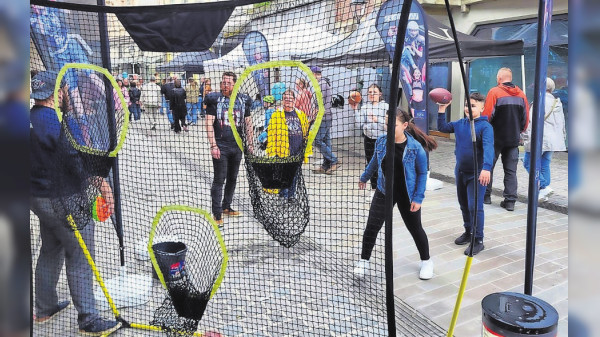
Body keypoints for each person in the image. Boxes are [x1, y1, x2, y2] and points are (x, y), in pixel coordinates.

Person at [30, 71, 121, 335]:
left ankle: (44, 308)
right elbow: (76, 162)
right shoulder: (56, 123)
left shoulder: (26, 119)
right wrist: (102, 185)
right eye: (65, 91)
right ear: (56, 93)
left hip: (38, 199)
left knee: (51, 248)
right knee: (80, 255)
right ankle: (89, 319)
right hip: (63, 198)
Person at [354, 107, 437, 279]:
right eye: (386, 124)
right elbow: (374, 163)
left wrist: (418, 198)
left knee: (415, 229)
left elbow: (422, 173)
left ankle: (427, 261)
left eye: (393, 125)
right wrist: (364, 178)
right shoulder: (382, 141)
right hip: (384, 192)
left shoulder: (415, 148)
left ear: (405, 125)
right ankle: (363, 261)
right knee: (372, 226)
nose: (388, 128)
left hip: (408, 194)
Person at [437, 93, 494, 255]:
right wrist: (441, 110)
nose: (469, 108)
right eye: (467, 104)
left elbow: (489, 148)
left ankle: (478, 239)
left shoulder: (485, 127)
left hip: (478, 174)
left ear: (482, 108)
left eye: (474, 105)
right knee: (463, 204)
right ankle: (468, 232)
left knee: (474, 206)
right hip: (460, 171)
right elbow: (442, 128)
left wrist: (487, 168)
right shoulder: (460, 123)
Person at [204, 71, 252, 226]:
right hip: (221, 146)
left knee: (232, 178)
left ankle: (226, 206)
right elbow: (209, 123)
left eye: (228, 83)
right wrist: (213, 145)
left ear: (235, 84)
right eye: (223, 82)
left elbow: (248, 123)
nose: (225, 85)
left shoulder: (243, 100)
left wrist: (249, 144)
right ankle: (216, 214)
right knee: (219, 179)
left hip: (236, 146)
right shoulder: (215, 100)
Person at [482, 67, 529, 211]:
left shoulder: (494, 92)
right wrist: (518, 131)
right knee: (511, 171)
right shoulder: (521, 94)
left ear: (499, 78)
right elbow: (526, 119)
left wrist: (483, 131)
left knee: (488, 166)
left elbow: (487, 115)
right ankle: (510, 202)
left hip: (495, 138)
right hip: (513, 139)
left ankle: (486, 196)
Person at [521, 77, 566, 200]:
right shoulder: (558, 102)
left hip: (540, 139)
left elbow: (530, 123)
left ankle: (544, 187)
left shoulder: (538, 102)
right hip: (553, 140)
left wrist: (524, 138)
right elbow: (562, 123)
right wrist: (562, 139)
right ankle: (543, 193)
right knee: (545, 164)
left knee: (528, 163)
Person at [266, 90, 311, 199]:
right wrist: (271, 151)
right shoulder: (276, 115)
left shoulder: (301, 114)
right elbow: (271, 134)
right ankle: (283, 196)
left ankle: (291, 196)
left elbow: (306, 132)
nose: (288, 101)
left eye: (290, 99)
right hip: (283, 151)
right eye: (286, 99)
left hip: (298, 150)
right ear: (282, 101)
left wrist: (307, 150)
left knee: (295, 175)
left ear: (294, 101)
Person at [357, 84, 388, 190]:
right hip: (368, 139)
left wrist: (377, 120)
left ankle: (384, 189)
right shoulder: (365, 107)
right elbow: (359, 124)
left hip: (382, 140)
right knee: (371, 164)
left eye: (374, 92)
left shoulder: (386, 107)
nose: (372, 94)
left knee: (382, 164)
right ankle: (374, 189)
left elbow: (389, 127)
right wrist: (355, 109)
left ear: (380, 94)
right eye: (370, 92)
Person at [310, 66, 340, 175]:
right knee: (326, 142)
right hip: (327, 116)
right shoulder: (324, 83)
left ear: (314, 74)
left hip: (323, 117)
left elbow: (319, 103)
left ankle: (334, 160)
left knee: (317, 140)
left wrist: (312, 116)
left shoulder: (321, 84)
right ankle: (326, 165)